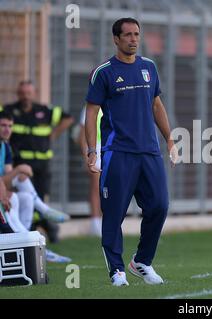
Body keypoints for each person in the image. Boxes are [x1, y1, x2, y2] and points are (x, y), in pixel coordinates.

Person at [85, 17, 177, 286]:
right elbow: (91, 114)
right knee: (114, 214)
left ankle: (141, 262)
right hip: (118, 153)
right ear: (116, 39)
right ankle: (117, 271)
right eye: (127, 35)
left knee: (159, 206)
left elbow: (156, 105)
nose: (133, 39)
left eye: (137, 34)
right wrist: (92, 150)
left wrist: (170, 140)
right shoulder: (103, 72)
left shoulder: (149, 67)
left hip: (149, 152)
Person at [1, 80, 74, 243]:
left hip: (41, 163)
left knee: (37, 195)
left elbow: (68, 118)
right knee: (26, 196)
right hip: (19, 163)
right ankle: (36, 228)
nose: (25, 97)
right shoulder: (9, 111)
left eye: (29, 93)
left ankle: (36, 232)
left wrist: (53, 135)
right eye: (22, 93)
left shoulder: (44, 110)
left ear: (34, 94)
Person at [0, 111, 71, 263]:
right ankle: (34, 243)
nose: (7, 129)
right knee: (18, 184)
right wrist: (18, 170)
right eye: (3, 125)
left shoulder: (5, 146)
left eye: (10, 126)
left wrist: (16, 175)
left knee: (24, 196)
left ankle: (28, 241)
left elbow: (5, 180)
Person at [78, 105, 102, 237]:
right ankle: (95, 221)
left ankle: (106, 221)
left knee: (109, 188)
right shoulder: (90, 106)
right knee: (96, 186)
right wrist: (86, 154)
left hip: (111, 148)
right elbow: (82, 133)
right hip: (96, 150)